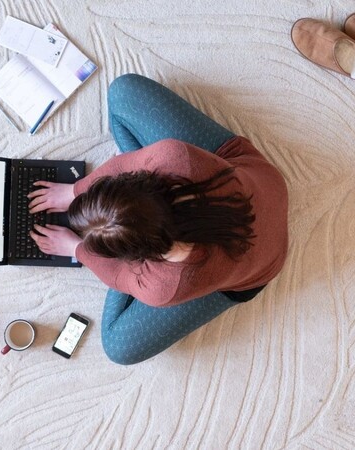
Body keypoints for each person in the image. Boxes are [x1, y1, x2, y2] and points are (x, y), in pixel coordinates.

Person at [28, 74, 288, 365]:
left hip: (258, 269)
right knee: (123, 90)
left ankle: (125, 224)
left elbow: (120, 276)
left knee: (117, 347)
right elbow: (123, 165)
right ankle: (128, 215)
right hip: (264, 182)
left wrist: (77, 250)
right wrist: (74, 191)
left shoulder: (166, 285)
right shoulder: (173, 157)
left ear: (141, 258)